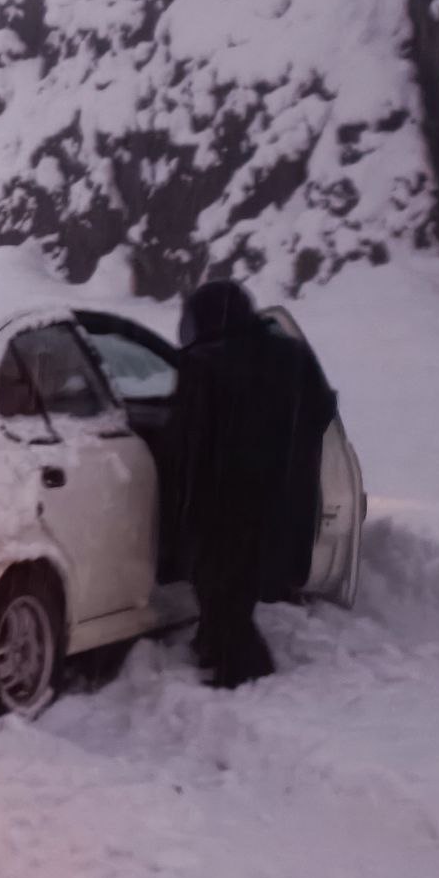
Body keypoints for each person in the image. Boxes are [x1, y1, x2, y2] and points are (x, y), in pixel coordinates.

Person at [162, 279, 337, 689]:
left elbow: (186, 438)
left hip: (224, 499)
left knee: (219, 585)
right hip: (283, 496)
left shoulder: (204, 364)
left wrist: (181, 502)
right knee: (235, 585)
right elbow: (322, 409)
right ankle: (215, 645)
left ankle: (243, 671)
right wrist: (286, 449)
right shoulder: (290, 355)